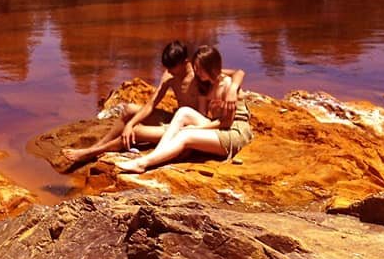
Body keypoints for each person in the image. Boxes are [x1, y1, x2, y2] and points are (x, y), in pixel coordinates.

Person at [61, 41, 244, 164]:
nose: (169, 72)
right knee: (128, 110)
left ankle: (91, 153)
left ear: (186, 63)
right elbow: (150, 105)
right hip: (176, 118)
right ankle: (97, 146)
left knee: (137, 132)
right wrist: (129, 123)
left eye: (173, 68)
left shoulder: (199, 72)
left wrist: (233, 90)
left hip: (191, 123)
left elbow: (236, 73)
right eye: (167, 69)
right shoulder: (169, 76)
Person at [116, 45, 253, 174]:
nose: (196, 73)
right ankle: (157, 154)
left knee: (185, 135)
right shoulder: (211, 83)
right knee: (183, 111)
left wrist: (195, 129)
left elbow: (226, 123)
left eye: (199, 69)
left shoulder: (227, 85)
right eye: (195, 68)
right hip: (220, 127)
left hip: (233, 133)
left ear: (209, 67)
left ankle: (143, 163)